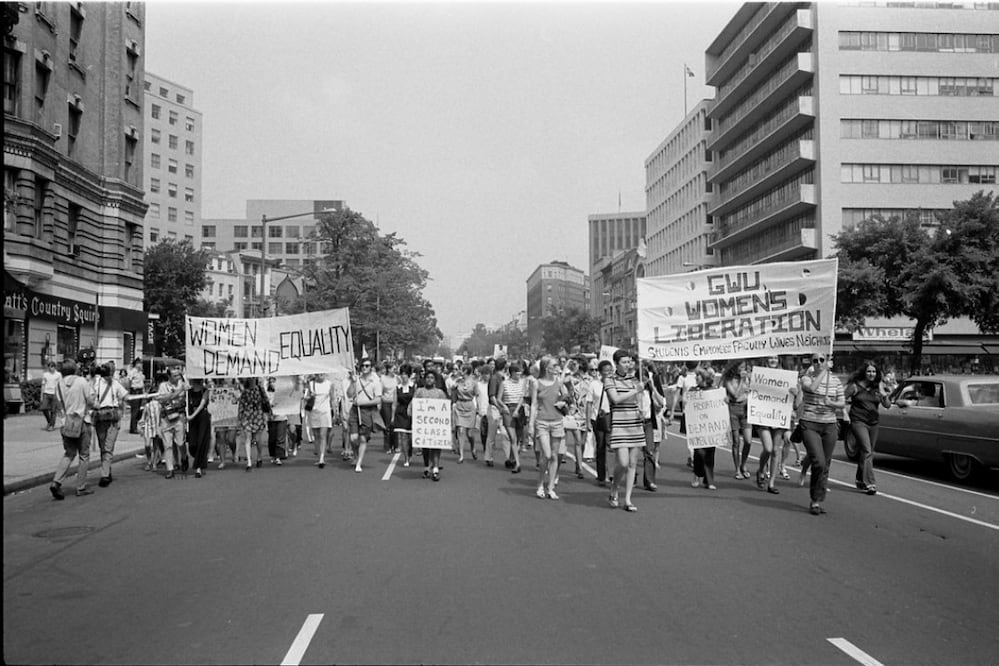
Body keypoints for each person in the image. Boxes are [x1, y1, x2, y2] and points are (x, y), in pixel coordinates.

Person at [799, 352, 846, 515]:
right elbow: (811, 388)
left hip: (829, 425)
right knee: (818, 461)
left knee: (825, 464)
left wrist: (831, 402)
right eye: (815, 360)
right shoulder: (807, 377)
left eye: (821, 360)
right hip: (810, 423)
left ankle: (817, 501)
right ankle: (815, 496)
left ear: (826, 360)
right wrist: (824, 371)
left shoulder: (835, 381)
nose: (818, 363)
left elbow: (842, 402)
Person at [605, 349, 647, 512]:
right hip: (620, 423)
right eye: (624, 362)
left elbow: (638, 399)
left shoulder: (634, 378)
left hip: (635, 423)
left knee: (632, 463)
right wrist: (635, 390)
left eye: (629, 362)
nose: (627, 365)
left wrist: (641, 406)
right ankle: (614, 489)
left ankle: (628, 498)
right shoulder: (610, 379)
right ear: (616, 363)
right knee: (622, 462)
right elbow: (615, 399)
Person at [49, 359, 97, 499]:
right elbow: (90, 400)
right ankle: (80, 487)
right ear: (75, 369)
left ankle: (56, 481)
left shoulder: (59, 384)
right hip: (82, 421)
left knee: (69, 453)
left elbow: (58, 404)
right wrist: (95, 404)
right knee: (84, 455)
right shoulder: (82, 381)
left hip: (66, 422)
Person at [844, 361, 892, 495]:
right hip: (858, 421)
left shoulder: (878, 386)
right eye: (869, 371)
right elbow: (842, 399)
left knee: (867, 452)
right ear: (864, 373)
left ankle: (860, 479)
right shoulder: (855, 386)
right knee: (866, 450)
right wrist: (844, 414)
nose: (871, 374)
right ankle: (870, 483)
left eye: (874, 372)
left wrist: (883, 394)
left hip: (873, 423)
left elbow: (887, 405)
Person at [529, 355, 570, 499]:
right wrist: (530, 424)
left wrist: (564, 402)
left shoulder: (558, 382)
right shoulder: (536, 383)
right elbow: (533, 404)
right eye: (554, 366)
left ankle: (550, 487)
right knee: (546, 455)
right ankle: (540, 484)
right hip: (542, 422)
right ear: (546, 368)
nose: (557, 368)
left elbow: (567, 396)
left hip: (557, 421)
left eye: (558, 366)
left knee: (554, 456)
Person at [754, 355, 795, 495]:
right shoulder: (759, 375)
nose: (773, 361)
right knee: (768, 448)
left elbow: (795, 402)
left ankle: (771, 483)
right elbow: (754, 394)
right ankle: (760, 470)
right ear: (766, 360)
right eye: (771, 358)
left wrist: (795, 393)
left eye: (775, 359)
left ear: (779, 361)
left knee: (776, 450)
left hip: (778, 418)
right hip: (763, 418)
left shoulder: (785, 376)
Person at [91, 362, 129, 488]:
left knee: (108, 446)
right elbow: (90, 398)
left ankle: (105, 475)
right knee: (103, 446)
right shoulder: (95, 383)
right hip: (100, 417)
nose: (109, 377)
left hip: (113, 417)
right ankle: (107, 470)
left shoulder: (115, 383)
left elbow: (125, 396)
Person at [346, 358, 385, 473]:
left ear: (371, 367)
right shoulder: (356, 380)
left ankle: (359, 463)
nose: (364, 368)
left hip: (367, 411)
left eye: (367, 366)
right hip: (355, 410)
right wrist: (353, 383)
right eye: (362, 366)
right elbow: (349, 394)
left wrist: (362, 403)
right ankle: (356, 454)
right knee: (353, 438)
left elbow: (378, 400)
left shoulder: (376, 382)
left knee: (363, 438)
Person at [410, 369, 449, 481]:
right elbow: (413, 405)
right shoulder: (419, 391)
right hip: (423, 426)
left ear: (435, 380)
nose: (429, 380)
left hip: (436, 426)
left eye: (432, 378)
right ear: (424, 379)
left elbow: (445, 409)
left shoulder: (440, 393)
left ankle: (435, 469)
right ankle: (427, 467)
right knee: (425, 448)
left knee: (436, 447)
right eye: (427, 377)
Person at [688, 367, 719, 490]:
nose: (696, 378)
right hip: (698, 426)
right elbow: (686, 402)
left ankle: (709, 480)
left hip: (711, 426)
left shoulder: (714, 391)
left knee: (710, 453)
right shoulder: (693, 390)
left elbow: (721, 404)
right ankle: (697, 474)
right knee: (699, 452)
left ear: (704, 377)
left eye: (698, 376)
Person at [157, 365, 189, 479]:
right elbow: (163, 399)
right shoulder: (163, 386)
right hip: (167, 418)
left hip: (179, 417)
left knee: (180, 442)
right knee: (168, 445)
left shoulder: (184, 384)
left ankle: (184, 457)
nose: (177, 377)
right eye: (174, 375)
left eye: (178, 375)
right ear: (169, 376)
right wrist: (178, 392)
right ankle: (170, 469)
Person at [723, 360, 753, 480]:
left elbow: (752, 392)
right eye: (740, 367)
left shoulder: (748, 378)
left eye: (744, 367)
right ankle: (737, 470)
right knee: (736, 441)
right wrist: (741, 380)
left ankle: (743, 464)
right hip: (733, 408)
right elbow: (735, 394)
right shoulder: (728, 380)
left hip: (746, 409)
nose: (742, 369)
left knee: (748, 440)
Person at [562, 359, 591, 480]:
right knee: (578, 441)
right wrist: (566, 366)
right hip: (574, 412)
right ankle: (580, 468)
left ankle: (578, 462)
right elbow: (561, 381)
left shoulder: (590, 380)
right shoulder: (571, 379)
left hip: (586, 412)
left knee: (583, 442)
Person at [499, 361, 527, 474]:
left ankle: (511, 458)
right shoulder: (504, 383)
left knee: (518, 437)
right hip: (508, 409)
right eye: (517, 373)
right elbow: (499, 398)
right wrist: (504, 406)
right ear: (512, 373)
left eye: (520, 373)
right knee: (513, 437)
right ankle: (517, 463)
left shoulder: (523, 383)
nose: (519, 375)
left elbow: (522, 397)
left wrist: (517, 410)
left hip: (519, 409)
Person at [236, 377, 268, 471]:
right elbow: (241, 404)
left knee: (258, 439)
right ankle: (249, 462)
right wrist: (240, 417)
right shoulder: (245, 391)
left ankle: (259, 456)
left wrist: (269, 412)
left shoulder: (260, 389)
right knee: (248, 438)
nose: (251, 379)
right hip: (247, 416)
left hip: (257, 415)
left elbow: (266, 401)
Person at [451, 364, 479, 464]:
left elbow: (477, 395)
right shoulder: (458, 381)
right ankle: (461, 455)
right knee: (460, 430)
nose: (460, 371)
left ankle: (473, 448)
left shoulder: (474, 382)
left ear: (466, 371)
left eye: (462, 370)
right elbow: (452, 391)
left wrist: (478, 407)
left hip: (469, 406)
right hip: (460, 405)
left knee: (469, 433)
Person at [305, 373, 333, 468]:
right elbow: (306, 398)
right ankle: (318, 454)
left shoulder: (329, 384)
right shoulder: (311, 383)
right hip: (314, 411)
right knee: (316, 435)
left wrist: (335, 412)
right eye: (318, 374)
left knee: (322, 435)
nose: (320, 375)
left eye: (322, 374)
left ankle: (322, 458)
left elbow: (332, 398)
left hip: (325, 412)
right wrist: (310, 396)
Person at [187, 377, 211, 478]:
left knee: (201, 441)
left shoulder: (204, 391)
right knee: (192, 444)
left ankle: (198, 468)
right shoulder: (188, 392)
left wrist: (192, 416)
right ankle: (200, 460)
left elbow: (202, 405)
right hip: (192, 419)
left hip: (202, 417)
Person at [393, 363, 416, 467]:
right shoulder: (397, 388)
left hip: (411, 413)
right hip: (401, 413)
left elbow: (416, 399)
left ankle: (410, 452)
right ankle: (406, 458)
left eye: (405, 374)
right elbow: (394, 403)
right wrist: (392, 417)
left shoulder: (414, 387)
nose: (403, 376)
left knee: (410, 437)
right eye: (402, 374)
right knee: (403, 437)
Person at [379, 362, 398, 454]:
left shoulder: (397, 378)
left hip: (395, 403)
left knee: (394, 424)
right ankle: (387, 446)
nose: (395, 370)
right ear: (389, 369)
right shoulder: (382, 379)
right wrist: (382, 400)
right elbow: (380, 391)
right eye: (393, 369)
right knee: (387, 425)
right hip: (386, 403)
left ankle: (396, 445)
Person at [125, 358, 145, 434]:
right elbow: (129, 381)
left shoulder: (140, 372)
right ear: (136, 364)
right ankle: (133, 428)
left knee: (140, 410)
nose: (141, 365)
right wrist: (129, 392)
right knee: (135, 410)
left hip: (140, 391)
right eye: (139, 363)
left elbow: (142, 383)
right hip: (135, 391)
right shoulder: (133, 371)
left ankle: (135, 425)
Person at [40, 361, 61, 431]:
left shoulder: (58, 375)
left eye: (52, 367)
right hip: (46, 393)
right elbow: (43, 385)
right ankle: (49, 421)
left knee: (53, 410)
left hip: (54, 393)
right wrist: (41, 395)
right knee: (44, 408)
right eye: (49, 367)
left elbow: (60, 385)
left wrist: (60, 396)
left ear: (54, 367)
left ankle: (52, 425)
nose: (50, 368)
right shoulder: (45, 374)